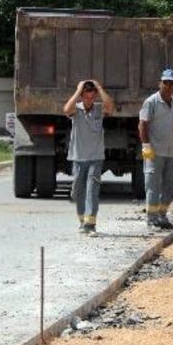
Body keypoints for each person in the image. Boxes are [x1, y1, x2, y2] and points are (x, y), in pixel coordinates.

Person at [139, 68, 173, 230]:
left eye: (171, 84)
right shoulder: (151, 102)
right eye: (165, 83)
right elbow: (143, 125)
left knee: (168, 187)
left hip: (170, 152)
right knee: (153, 187)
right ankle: (151, 219)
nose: (168, 86)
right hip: (154, 152)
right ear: (160, 83)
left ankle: (162, 216)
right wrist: (146, 145)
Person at [63, 79, 115, 236]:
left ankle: (90, 224)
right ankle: (82, 220)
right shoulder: (76, 110)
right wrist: (78, 91)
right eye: (87, 97)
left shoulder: (99, 109)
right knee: (79, 190)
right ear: (82, 96)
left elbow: (110, 106)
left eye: (93, 97)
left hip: (96, 157)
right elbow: (66, 110)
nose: (90, 100)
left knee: (92, 189)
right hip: (78, 158)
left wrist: (99, 87)